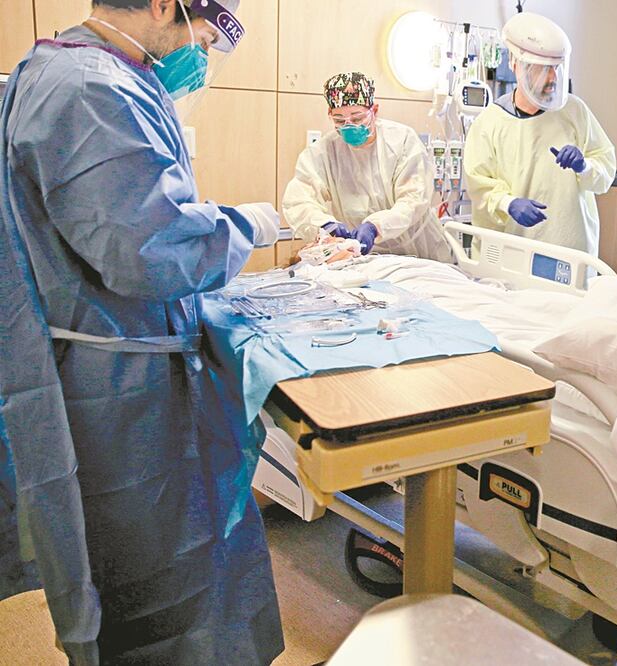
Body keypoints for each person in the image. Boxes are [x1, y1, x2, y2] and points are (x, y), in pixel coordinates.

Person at [0, 0, 284, 662]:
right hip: (118, 396)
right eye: (205, 33)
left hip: (108, 367)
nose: (204, 52)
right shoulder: (90, 89)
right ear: (163, 4)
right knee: (157, 581)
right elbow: (148, 249)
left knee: (144, 568)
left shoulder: (66, 71)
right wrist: (250, 226)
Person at [465, 12, 616, 256]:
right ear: (516, 66)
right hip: (511, 252)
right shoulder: (490, 123)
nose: (553, 78)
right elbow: (479, 187)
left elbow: (605, 172)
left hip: (569, 250)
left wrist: (585, 166)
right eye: (544, 69)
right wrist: (508, 203)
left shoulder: (575, 112)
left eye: (556, 68)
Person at [282, 72, 453, 263]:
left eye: (357, 118)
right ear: (330, 115)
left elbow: (413, 200)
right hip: (363, 258)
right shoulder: (323, 153)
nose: (348, 126)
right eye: (339, 120)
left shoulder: (401, 141)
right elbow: (299, 201)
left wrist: (376, 226)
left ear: (375, 110)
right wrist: (325, 224)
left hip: (418, 250)